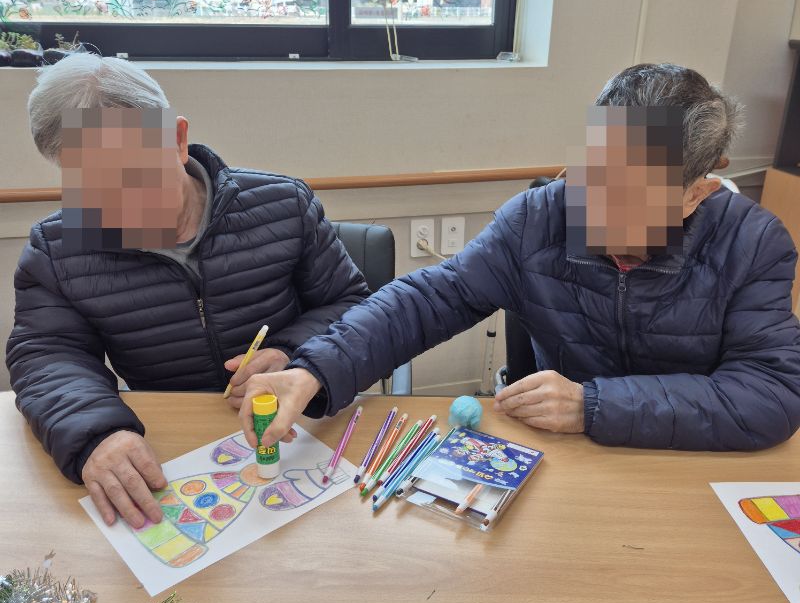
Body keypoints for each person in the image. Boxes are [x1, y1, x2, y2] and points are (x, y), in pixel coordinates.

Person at [233, 63, 800, 453]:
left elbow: (772, 393)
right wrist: (314, 370)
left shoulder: (753, 243)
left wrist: (594, 406)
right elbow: (430, 299)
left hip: (686, 462)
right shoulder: (537, 217)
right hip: (562, 460)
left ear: (697, 193)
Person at [6, 53, 370, 528]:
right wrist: (96, 433)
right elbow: (46, 354)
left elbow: (351, 304)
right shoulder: (57, 248)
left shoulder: (284, 205)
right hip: (171, 446)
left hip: (300, 428)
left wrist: (292, 353)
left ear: (177, 140)